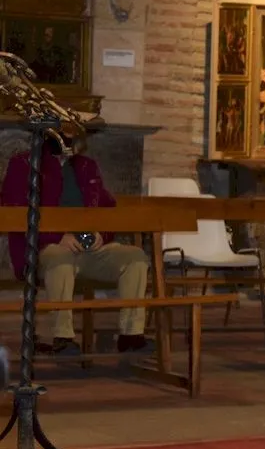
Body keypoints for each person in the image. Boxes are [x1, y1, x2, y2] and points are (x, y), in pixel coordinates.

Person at [0, 129, 153, 356]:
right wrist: (58, 237)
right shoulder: (23, 164)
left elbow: (106, 208)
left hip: (88, 247)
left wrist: (102, 233)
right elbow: (15, 212)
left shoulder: (86, 166)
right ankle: (63, 337)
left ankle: (131, 334)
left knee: (135, 258)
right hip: (45, 248)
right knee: (60, 259)